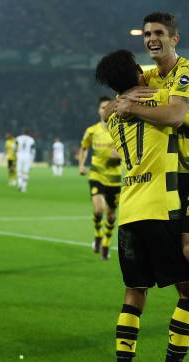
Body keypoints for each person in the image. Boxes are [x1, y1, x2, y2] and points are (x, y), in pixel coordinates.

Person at [113, 11, 189, 362]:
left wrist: (131, 105)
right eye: (147, 33)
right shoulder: (147, 75)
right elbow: (120, 96)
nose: (151, 39)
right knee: (180, 262)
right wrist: (123, 102)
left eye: (159, 33)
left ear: (174, 38)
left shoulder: (188, 71)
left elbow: (177, 115)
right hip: (166, 180)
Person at [96, 49, 189, 362]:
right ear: (135, 72)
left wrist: (126, 94)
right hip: (160, 208)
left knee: (134, 294)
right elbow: (180, 117)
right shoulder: (155, 103)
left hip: (129, 212)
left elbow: (126, 98)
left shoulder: (113, 116)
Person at [78, 97, 122, 260]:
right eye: (102, 107)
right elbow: (83, 148)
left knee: (111, 216)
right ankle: (97, 235)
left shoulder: (119, 130)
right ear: (98, 110)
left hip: (114, 178)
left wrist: (120, 155)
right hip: (96, 174)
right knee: (98, 210)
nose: (105, 109)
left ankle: (105, 244)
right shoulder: (92, 130)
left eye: (107, 107)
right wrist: (81, 165)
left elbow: (129, 151)